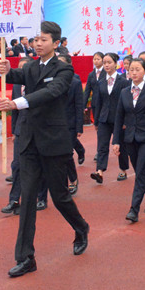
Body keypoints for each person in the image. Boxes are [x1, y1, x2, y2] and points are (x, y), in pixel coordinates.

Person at [0, 21, 90, 278]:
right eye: (35, 39)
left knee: (59, 197)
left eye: (44, 39)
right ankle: (26, 257)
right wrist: (2, 68)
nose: (38, 43)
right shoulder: (31, 66)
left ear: (56, 43)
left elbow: (51, 92)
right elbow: (15, 75)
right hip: (29, 143)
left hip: (52, 142)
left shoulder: (64, 69)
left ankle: (81, 227)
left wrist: (17, 103)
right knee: (28, 198)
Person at [112, 59, 145, 223]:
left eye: (137, 69)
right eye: (131, 69)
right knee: (140, 170)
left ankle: (134, 209)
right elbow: (119, 117)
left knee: (140, 171)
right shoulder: (124, 92)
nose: (133, 72)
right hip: (129, 139)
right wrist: (116, 141)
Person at [1, 57, 48, 215]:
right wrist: (14, 130)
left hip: (38, 129)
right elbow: (15, 111)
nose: (22, 72)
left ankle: (41, 197)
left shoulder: (39, 84)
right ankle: (14, 200)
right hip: (22, 129)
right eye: (19, 68)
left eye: (25, 68)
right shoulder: (16, 86)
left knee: (39, 164)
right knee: (17, 166)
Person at [90, 53, 131, 183]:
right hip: (103, 119)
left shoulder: (124, 82)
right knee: (102, 145)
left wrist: (126, 121)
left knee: (121, 146)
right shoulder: (100, 82)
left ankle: (123, 169)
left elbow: (127, 103)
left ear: (115, 64)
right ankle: (100, 171)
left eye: (109, 62)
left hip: (119, 120)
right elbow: (98, 102)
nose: (106, 65)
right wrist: (96, 121)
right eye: (105, 62)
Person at [58, 53, 85, 195]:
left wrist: (79, 127)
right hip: (54, 124)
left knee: (67, 154)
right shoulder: (51, 81)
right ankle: (60, 182)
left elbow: (78, 106)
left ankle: (73, 180)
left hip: (69, 124)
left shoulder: (75, 83)